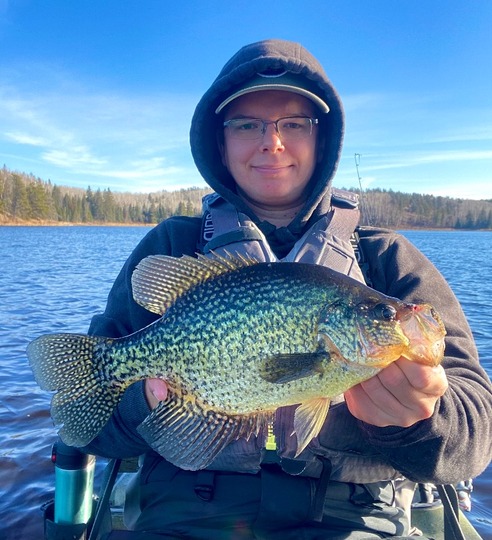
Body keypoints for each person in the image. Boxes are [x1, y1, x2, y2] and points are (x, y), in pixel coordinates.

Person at [82, 39, 492, 539]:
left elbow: (475, 434)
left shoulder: (386, 259)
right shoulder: (173, 243)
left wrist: (419, 420)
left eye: (293, 124)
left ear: (323, 139)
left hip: (351, 515)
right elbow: (94, 429)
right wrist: (143, 402)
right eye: (247, 124)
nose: (271, 142)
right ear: (219, 140)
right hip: (189, 508)